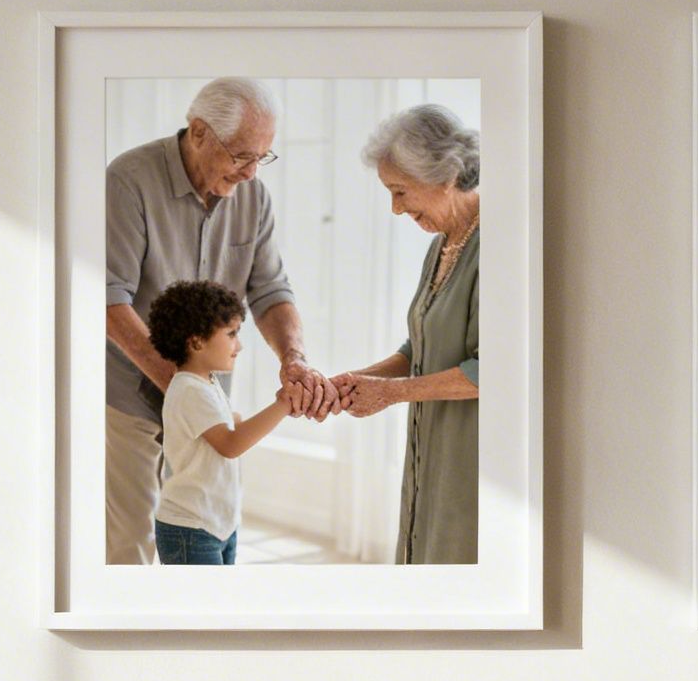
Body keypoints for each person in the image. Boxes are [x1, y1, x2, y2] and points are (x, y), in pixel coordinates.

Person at [105, 77, 338, 565]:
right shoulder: (129, 179)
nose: (252, 173)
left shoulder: (253, 200)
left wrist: (293, 361)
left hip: (203, 395)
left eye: (263, 157)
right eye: (241, 156)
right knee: (130, 540)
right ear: (199, 132)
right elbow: (108, 298)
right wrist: (183, 384)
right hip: (129, 389)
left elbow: (271, 289)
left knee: (205, 521)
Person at [332, 105, 483, 564]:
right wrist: (356, 379)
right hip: (427, 455)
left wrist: (392, 394)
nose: (396, 208)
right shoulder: (442, 244)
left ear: (444, 175)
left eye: (400, 191)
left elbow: (491, 370)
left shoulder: (498, 246)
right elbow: (419, 346)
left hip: (472, 460)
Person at [146, 281, 297, 564]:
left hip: (217, 523)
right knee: (203, 605)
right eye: (231, 334)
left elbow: (232, 426)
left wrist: (281, 406)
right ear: (196, 342)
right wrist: (283, 405)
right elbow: (230, 444)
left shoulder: (206, 382)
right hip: (191, 529)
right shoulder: (190, 390)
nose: (238, 346)